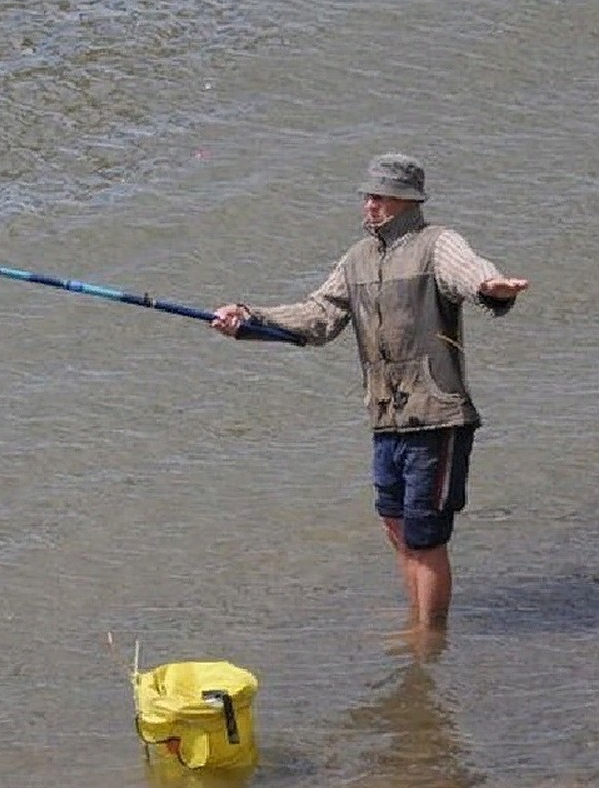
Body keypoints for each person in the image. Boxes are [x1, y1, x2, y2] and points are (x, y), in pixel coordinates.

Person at [211, 153, 528, 635]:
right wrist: (249, 319)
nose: (369, 203)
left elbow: (469, 271)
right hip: (386, 418)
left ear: (407, 200)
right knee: (395, 526)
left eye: (379, 195)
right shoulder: (357, 258)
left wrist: (492, 286)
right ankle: (417, 620)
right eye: (368, 194)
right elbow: (318, 317)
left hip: (436, 416)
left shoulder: (436, 244)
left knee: (426, 537)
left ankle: (430, 636)